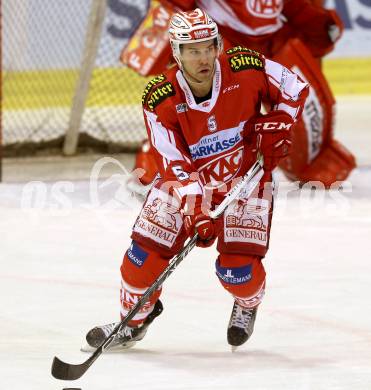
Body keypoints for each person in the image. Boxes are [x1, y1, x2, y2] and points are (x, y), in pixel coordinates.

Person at [85, 8, 309, 351]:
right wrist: (196, 209)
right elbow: (173, 165)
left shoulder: (245, 67)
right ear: (176, 53)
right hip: (184, 186)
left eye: (208, 47)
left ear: (218, 45)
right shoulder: (160, 99)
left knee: (238, 273)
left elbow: (295, 88)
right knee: (139, 264)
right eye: (193, 50)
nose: (203, 57)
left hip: (245, 182)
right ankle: (134, 320)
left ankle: (248, 304)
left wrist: (280, 121)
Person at [124, 0, 355, 192]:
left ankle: (311, 161)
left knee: (304, 99)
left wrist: (316, 24)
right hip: (222, 41)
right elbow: (174, 5)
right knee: (206, 112)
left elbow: (293, 7)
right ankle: (158, 164)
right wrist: (154, 40)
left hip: (273, 41)